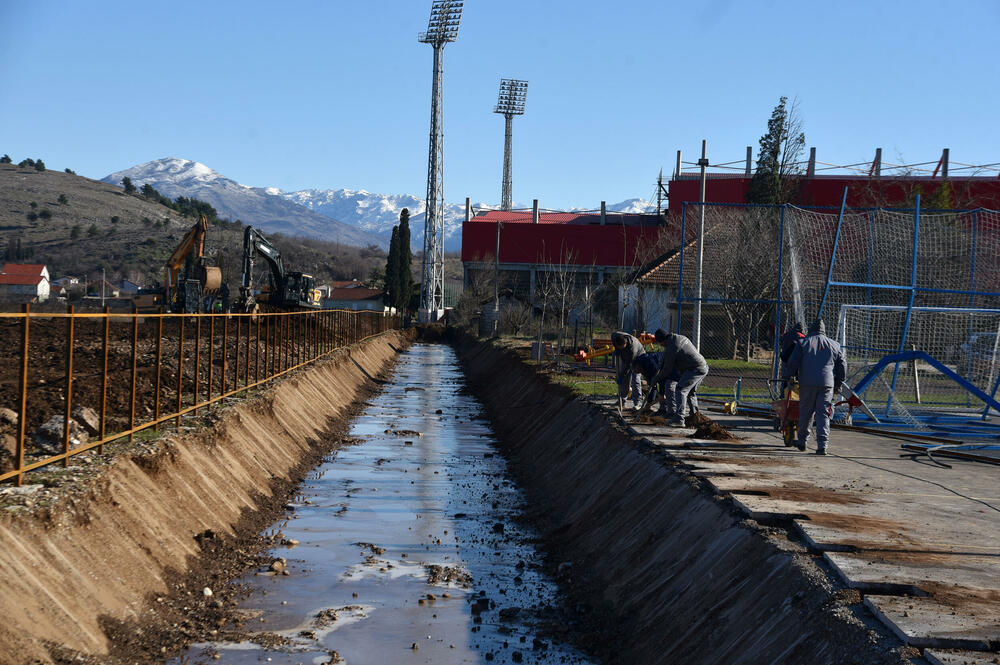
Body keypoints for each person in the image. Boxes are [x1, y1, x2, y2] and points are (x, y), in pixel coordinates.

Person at [782, 319, 847, 455]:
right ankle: (822, 445)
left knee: (806, 412)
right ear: (823, 330)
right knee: (823, 414)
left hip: (807, 382)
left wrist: (789, 376)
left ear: (811, 329)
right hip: (827, 384)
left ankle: (802, 441)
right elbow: (842, 366)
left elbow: (793, 362)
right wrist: (838, 383)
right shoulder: (834, 344)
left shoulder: (803, 343)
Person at [648, 329, 709, 427]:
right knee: (690, 393)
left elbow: (667, 370)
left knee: (681, 390)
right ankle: (695, 417)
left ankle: (679, 419)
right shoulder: (678, 338)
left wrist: (656, 379)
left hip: (695, 369)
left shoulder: (672, 347)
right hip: (702, 367)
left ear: (662, 341)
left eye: (660, 343)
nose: (661, 345)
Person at [611, 331, 647, 411]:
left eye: (622, 348)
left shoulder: (632, 348)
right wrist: (617, 349)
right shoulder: (615, 336)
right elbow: (613, 338)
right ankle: (622, 400)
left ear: (626, 344)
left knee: (635, 380)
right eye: (619, 347)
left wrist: (621, 376)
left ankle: (638, 403)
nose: (620, 349)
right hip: (625, 357)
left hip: (637, 358)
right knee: (625, 381)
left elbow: (628, 366)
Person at [778, 321, 805, 395]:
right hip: (795, 363)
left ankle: (783, 395)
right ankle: (794, 397)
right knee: (795, 382)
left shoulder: (786, 334)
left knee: (785, 379)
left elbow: (781, 343)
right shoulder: (802, 336)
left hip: (785, 360)